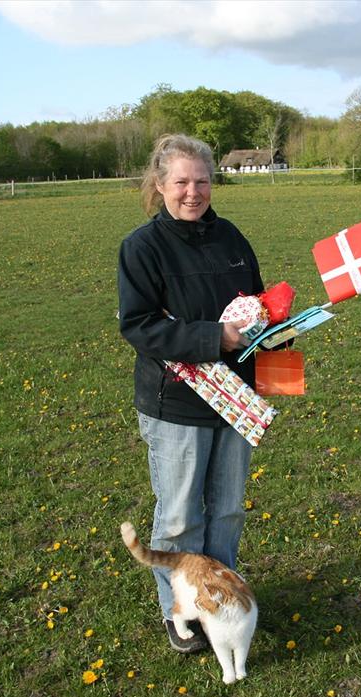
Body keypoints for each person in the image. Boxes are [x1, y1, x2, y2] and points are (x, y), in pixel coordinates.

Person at [117, 134, 263, 653]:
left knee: (226, 510)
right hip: (177, 404)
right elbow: (138, 326)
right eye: (181, 181)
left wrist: (273, 325)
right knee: (180, 515)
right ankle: (180, 611)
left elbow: (254, 303)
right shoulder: (142, 247)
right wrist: (212, 339)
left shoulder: (231, 238)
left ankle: (218, 597)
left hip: (235, 397)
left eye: (201, 180)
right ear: (160, 186)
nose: (192, 191)